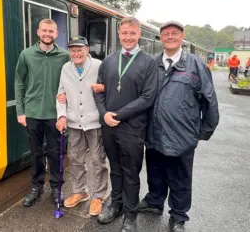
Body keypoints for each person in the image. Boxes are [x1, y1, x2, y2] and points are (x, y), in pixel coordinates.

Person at [136, 21, 220, 232]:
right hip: (154, 132)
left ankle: (179, 216)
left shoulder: (196, 65)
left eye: (175, 33)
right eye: (166, 33)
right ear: (160, 38)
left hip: (182, 136)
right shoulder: (152, 64)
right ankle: (155, 202)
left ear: (182, 37)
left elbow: (209, 101)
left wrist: (201, 132)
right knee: (155, 171)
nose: (170, 36)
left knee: (180, 176)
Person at [93, 17, 159, 232]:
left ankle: (130, 214)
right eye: (124, 33)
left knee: (131, 172)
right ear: (119, 34)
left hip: (133, 128)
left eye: (132, 33)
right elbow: (99, 91)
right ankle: (116, 205)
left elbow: (148, 98)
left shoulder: (149, 62)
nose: (128, 37)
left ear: (139, 34)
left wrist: (118, 115)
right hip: (109, 127)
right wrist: (104, 115)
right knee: (115, 169)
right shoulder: (109, 61)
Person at [14, 19, 70, 207]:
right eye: (44, 30)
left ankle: (56, 186)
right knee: (36, 153)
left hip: (55, 114)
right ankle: (36, 186)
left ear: (56, 34)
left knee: (56, 153)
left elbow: (71, 81)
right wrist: (20, 111)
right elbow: (19, 82)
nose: (47, 34)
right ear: (38, 32)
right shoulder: (26, 54)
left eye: (51, 31)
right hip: (32, 113)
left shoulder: (64, 56)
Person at [55, 36, 108, 216]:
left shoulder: (99, 65)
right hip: (73, 122)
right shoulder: (65, 68)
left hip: (94, 122)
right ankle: (80, 191)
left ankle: (99, 195)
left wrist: (104, 88)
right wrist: (61, 116)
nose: (76, 53)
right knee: (75, 159)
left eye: (79, 49)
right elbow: (60, 94)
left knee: (97, 160)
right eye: (72, 50)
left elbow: (108, 88)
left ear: (87, 49)